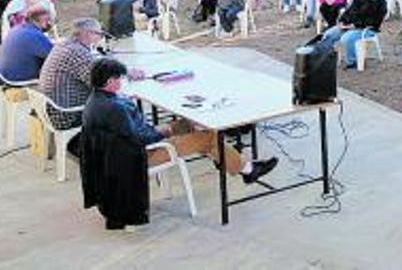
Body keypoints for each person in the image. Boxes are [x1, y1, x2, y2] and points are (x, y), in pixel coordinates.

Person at [81, 58, 277, 229]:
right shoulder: (114, 109)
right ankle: (246, 169)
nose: (123, 82)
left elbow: (129, 132)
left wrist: (164, 128)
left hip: (122, 153)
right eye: (120, 79)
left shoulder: (97, 101)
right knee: (209, 137)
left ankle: (226, 159)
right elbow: (139, 138)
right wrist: (164, 130)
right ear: (110, 81)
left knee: (189, 125)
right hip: (141, 156)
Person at [39, 18, 145, 130]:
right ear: (88, 34)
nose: (100, 38)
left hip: (55, 110)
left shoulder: (65, 45)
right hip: (69, 115)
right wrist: (126, 74)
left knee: (121, 102)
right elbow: (103, 84)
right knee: (125, 104)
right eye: (99, 34)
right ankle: (139, 139)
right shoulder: (77, 52)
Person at [320, 0, 387, 69]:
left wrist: (355, 25)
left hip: (367, 28)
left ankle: (353, 61)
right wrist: (343, 21)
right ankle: (326, 57)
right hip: (349, 26)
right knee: (329, 34)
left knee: (347, 38)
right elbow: (349, 11)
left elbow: (374, 21)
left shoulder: (379, 1)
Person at [0, 6, 55, 100]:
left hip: (4, 80)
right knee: (61, 83)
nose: (49, 23)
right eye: (48, 20)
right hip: (18, 85)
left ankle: (36, 112)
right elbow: (54, 56)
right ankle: (43, 113)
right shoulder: (34, 35)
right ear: (41, 20)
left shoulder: (18, 28)